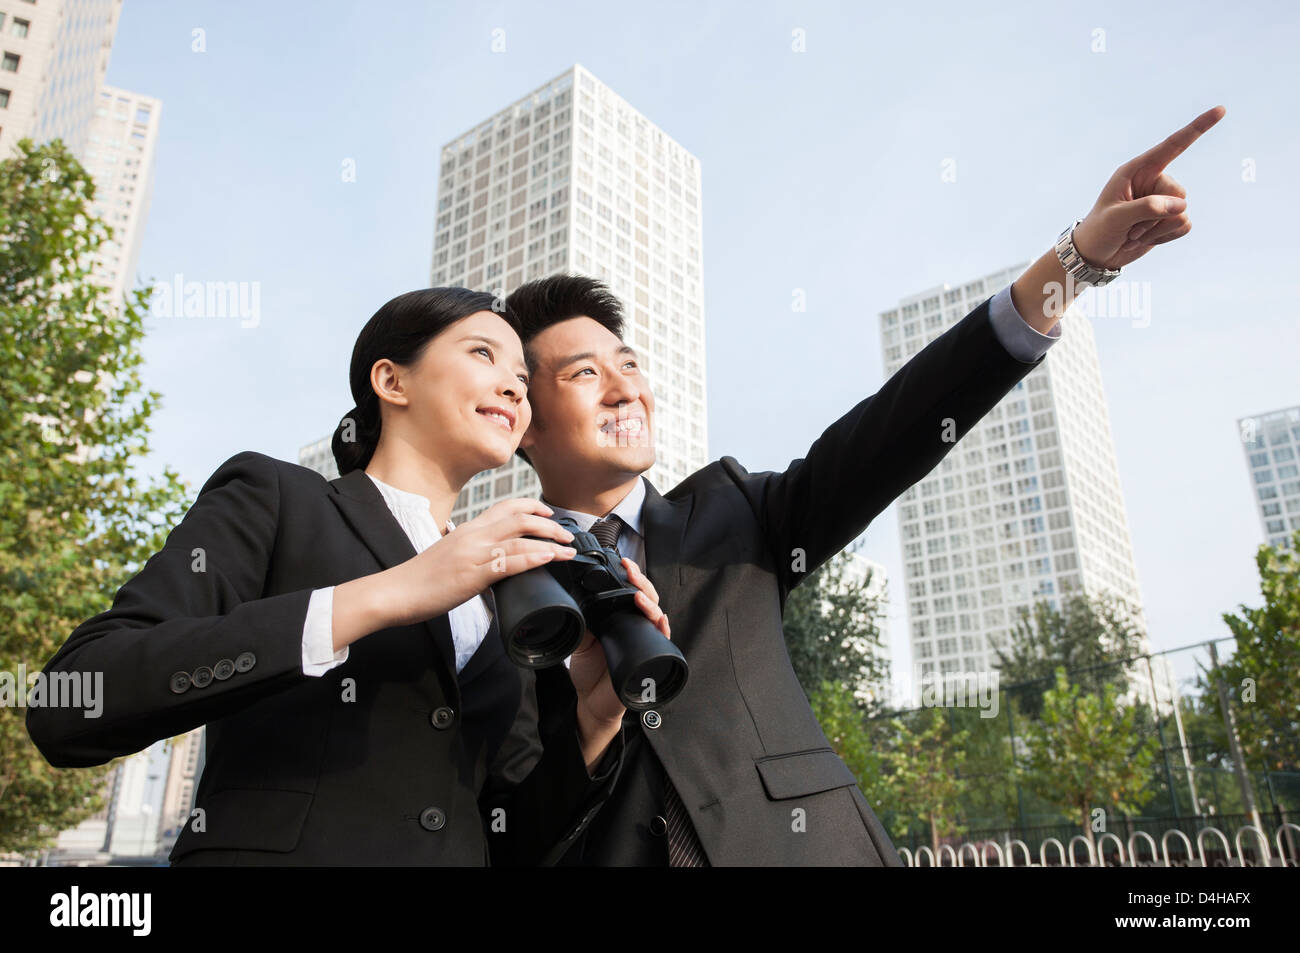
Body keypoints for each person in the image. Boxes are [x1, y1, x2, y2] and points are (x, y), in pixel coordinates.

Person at [503, 107, 1225, 865]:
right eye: (586, 374)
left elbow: (898, 426)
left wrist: (1074, 263)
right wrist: (589, 723)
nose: (625, 390)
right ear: (523, 419)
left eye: (629, 365)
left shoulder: (734, 513)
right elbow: (509, 820)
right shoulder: (493, 588)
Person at [24, 286, 670, 865]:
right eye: (482, 355)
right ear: (392, 380)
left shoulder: (508, 591)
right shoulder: (277, 498)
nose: (512, 388)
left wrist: (594, 716)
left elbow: (515, 838)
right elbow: (77, 701)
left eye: (523, 380)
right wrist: (391, 593)